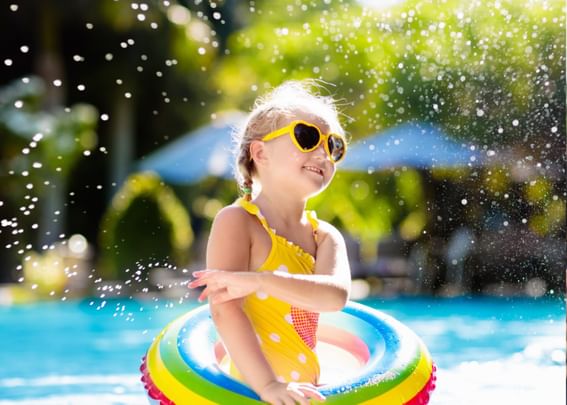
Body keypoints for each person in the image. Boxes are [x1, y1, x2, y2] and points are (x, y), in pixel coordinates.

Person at [188, 80, 352, 405]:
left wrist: (259, 281)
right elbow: (224, 312)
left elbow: (334, 297)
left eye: (333, 146)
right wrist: (269, 386)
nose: (323, 153)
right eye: (307, 137)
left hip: (305, 392)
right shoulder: (237, 223)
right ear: (260, 152)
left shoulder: (326, 237)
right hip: (250, 392)